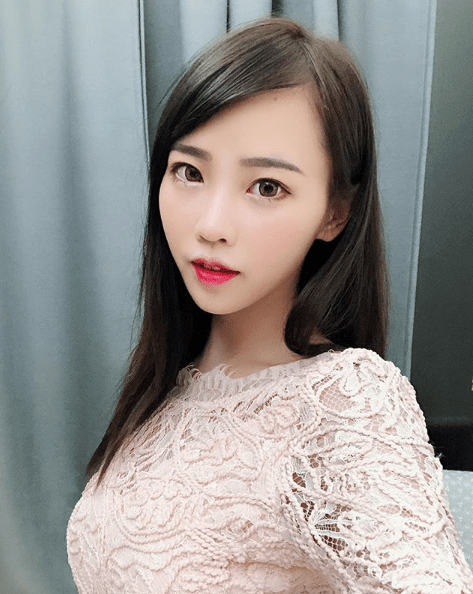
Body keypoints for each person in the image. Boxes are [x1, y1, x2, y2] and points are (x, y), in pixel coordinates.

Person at [67, 17, 473, 593]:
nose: (211, 225)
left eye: (267, 187)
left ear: (335, 213)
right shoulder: (167, 388)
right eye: (189, 172)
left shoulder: (342, 403)